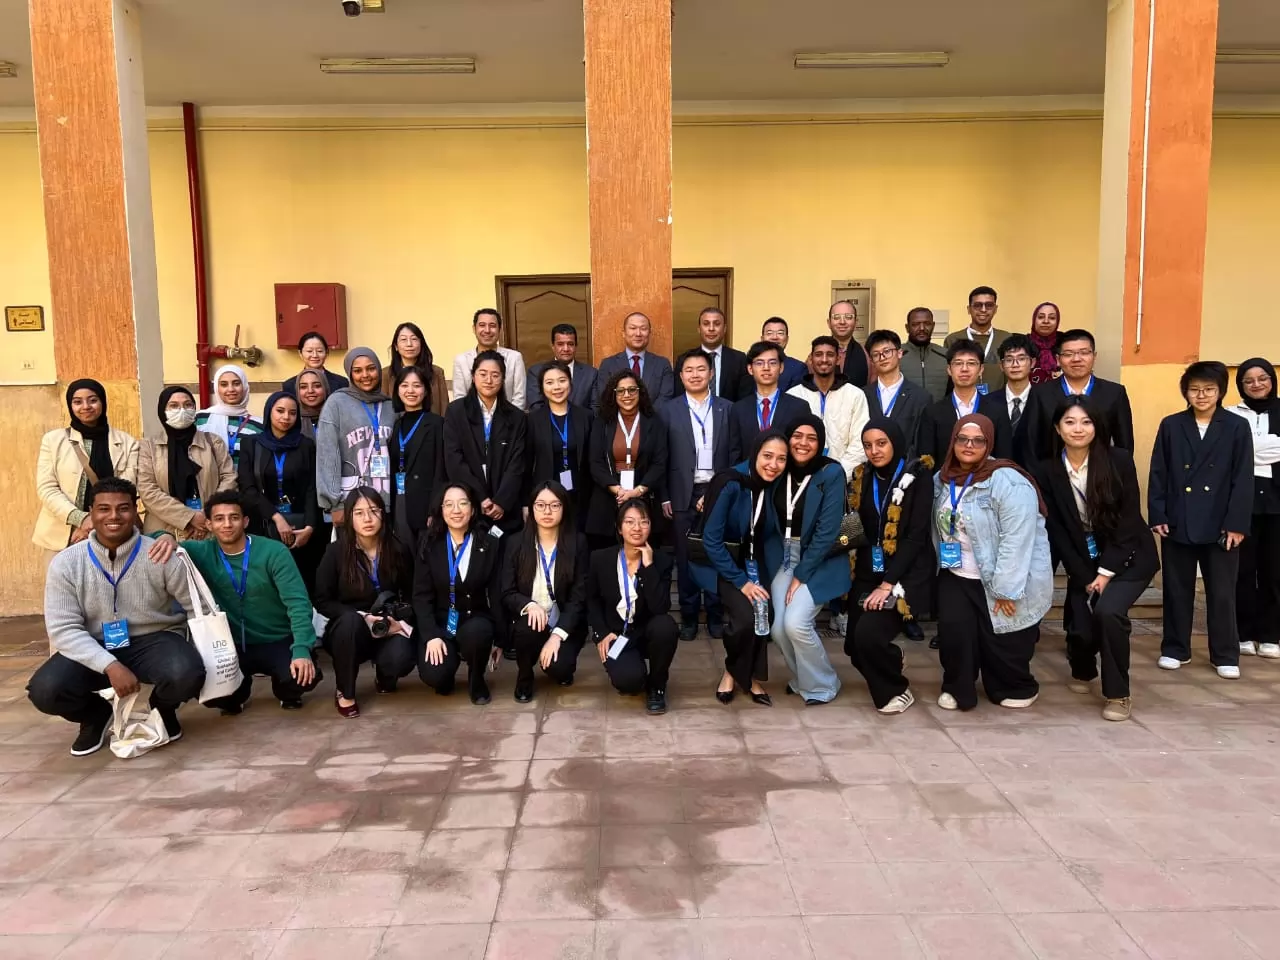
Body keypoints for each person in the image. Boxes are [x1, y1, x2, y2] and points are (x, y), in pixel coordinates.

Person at [28, 478, 203, 756]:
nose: (113, 516)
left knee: (187, 671)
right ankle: (95, 716)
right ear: (91, 513)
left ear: (135, 511)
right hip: (94, 642)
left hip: (152, 640)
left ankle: (162, 710)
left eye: (123, 508)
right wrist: (110, 665)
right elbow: (63, 629)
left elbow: (196, 606)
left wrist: (201, 649)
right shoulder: (67, 563)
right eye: (104, 509)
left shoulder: (159, 554)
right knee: (45, 690)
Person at [1032, 399, 1159, 721]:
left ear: (1097, 426)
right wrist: (1084, 573)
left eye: (1086, 422)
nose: (1078, 429)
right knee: (1080, 623)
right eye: (1070, 422)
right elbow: (1057, 529)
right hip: (1083, 557)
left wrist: (1105, 572)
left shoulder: (1118, 460)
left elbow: (1129, 521)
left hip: (1128, 555)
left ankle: (1118, 694)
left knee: (1108, 612)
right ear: (1057, 428)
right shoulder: (1047, 470)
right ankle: (1083, 668)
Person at [161, 491, 322, 713]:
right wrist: (165, 536)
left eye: (234, 517)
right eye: (219, 519)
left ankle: (286, 692)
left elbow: (298, 603)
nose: (227, 524)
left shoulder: (273, 551)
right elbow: (155, 539)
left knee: (301, 677)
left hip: (276, 638)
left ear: (245, 521)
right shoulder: (201, 551)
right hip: (231, 644)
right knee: (213, 694)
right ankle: (237, 694)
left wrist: (302, 649)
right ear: (208, 524)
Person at [933, 414, 1053, 711]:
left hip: (1000, 575)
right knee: (954, 634)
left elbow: (1018, 538)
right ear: (953, 441)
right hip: (956, 572)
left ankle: (1014, 686)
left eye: (978, 440)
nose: (969, 446)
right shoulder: (942, 478)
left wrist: (1005, 589)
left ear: (989, 443)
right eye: (963, 439)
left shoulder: (1008, 480)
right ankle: (958, 686)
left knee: (1001, 637)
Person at [1149, 361, 1253, 679]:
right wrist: (1158, 513)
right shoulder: (1172, 425)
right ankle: (1175, 649)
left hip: (1221, 523)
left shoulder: (1236, 426)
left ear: (1221, 391)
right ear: (1186, 392)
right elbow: (1159, 472)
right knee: (1176, 589)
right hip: (1178, 519)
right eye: (1194, 389)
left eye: (1209, 389)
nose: (1202, 395)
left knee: (1222, 592)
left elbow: (1243, 478)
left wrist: (1237, 523)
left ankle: (1225, 654)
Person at [845, 418, 936, 714]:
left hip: (906, 574)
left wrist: (888, 584)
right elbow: (854, 525)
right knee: (853, 645)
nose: (874, 451)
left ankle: (896, 691)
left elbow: (916, 537)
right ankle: (892, 660)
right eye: (868, 445)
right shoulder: (861, 476)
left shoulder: (918, 475)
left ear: (895, 442)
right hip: (870, 570)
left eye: (881, 443)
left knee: (869, 636)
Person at [695, 431, 788, 706]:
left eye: (781, 459)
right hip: (726, 563)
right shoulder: (730, 482)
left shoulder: (775, 483)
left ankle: (744, 675)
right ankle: (736, 671)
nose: (773, 465)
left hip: (756, 561)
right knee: (745, 619)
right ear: (755, 453)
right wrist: (741, 582)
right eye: (767, 456)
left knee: (764, 615)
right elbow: (711, 541)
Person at [314, 487, 417, 717]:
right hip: (350, 628)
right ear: (349, 517)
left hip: (388, 624)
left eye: (373, 511)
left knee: (402, 657)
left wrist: (401, 622)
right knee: (350, 624)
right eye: (359, 513)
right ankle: (345, 691)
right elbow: (322, 599)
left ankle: (385, 673)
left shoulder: (398, 549)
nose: (368, 519)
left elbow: (413, 593)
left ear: (383, 513)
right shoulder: (336, 552)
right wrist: (362, 617)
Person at [768, 415, 849, 705]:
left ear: (821, 443)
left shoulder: (831, 473)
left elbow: (827, 532)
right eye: (797, 436)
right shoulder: (779, 467)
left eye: (812, 438)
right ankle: (805, 678)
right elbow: (746, 469)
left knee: (796, 623)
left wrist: (801, 575)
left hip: (818, 556)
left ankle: (823, 685)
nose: (803, 443)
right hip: (783, 555)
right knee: (778, 629)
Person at [661, 349, 736, 641]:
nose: (695, 375)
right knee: (685, 557)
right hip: (682, 492)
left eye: (701, 369)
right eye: (689, 370)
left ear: (711, 373)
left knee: (716, 555)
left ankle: (715, 617)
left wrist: (723, 491)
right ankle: (689, 618)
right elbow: (661, 457)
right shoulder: (668, 410)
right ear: (681, 376)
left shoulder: (727, 409)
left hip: (717, 490)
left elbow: (734, 454)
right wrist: (665, 496)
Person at [414, 482, 501, 704]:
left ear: (473, 509)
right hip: (442, 622)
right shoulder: (429, 543)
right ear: (441, 509)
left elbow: (497, 593)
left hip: (475, 619)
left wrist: (501, 639)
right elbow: (421, 596)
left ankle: (476, 679)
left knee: (478, 632)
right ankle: (447, 672)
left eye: (463, 503)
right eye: (449, 504)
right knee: (436, 675)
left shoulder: (489, 543)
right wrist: (431, 635)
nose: (456, 510)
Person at [589, 499, 679, 714]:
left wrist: (648, 567)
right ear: (619, 528)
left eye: (643, 522)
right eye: (629, 522)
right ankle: (634, 670)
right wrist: (602, 633)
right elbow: (591, 599)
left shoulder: (661, 561)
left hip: (646, 631)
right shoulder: (600, 558)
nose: (637, 528)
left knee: (665, 625)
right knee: (629, 683)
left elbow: (660, 607)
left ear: (650, 526)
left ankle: (657, 686)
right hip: (616, 633)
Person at [504, 482, 591, 702]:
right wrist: (528, 604)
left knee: (559, 668)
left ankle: (557, 659)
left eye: (554, 505)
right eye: (540, 505)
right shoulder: (515, 543)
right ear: (531, 508)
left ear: (564, 508)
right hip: (531, 620)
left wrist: (557, 635)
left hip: (564, 621)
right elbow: (507, 591)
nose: (547, 511)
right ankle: (525, 676)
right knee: (527, 626)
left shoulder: (578, 543)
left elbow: (578, 598)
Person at [34, 379, 140, 553]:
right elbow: (47, 488)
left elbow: (127, 488)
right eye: (77, 402)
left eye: (93, 400)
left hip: (113, 532)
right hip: (66, 535)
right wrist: (82, 519)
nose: (86, 406)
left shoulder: (128, 443)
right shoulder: (53, 441)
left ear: (103, 402)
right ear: (70, 406)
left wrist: (96, 523)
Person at [237, 391, 323, 593]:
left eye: (292, 413)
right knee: (265, 583)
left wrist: (310, 526)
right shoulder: (251, 443)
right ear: (269, 412)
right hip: (263, 524)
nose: (286, 417)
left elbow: (312, 487)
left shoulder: (305, 444)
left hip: (299, 527)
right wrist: (276, 517)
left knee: (301, 582)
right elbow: (248, 488)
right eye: (280, 411)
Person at [443, 351, 529, 538]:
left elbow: (518, 462)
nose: (489, 380)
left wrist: (501, 501)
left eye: (495, 375)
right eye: (483, 374)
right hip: (470, 504)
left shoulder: (516, 417)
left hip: (506, 508)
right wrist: (480, 497)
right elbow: (454, 459)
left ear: (503, 379)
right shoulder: (456, 412)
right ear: (473, 377)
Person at [1229, 359, 1280, 659]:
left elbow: (1245, 452)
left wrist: (1250, 450)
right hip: (1242, 504)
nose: (1256, 384)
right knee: (1243, 571)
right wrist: (1272, 446)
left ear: (1272, 379)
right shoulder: (1232, 415)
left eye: (1263, 378)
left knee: (1274, 571)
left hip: (1277, 504)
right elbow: (1233, 453)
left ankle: (1271, 634)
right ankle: (1243, 633)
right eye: (1248, 380)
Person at [137, 386, 235, 541]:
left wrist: (208, 513)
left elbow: (229, 478)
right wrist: (189, 517)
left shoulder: (213, 442)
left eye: (188, 405)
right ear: (162, 410)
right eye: (174, 406)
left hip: (209, 528)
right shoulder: (148, 447)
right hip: (164, 534)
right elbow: (147, 489)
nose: (182, 410)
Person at [1023, 329, 1135, 463]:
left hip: (1102, 472)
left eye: (1084, 352)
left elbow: (1124, 445)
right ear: (1058, 359)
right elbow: (1030, 443)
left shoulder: (1114, 393)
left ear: (1094, 356)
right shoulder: (1040, 393)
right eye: (1068, 354)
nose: (1076, 359)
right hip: (1051, 473)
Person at [587, 369, 668, 548]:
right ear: (613, 394)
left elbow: (659, 463)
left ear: (640, 392)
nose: (627, 395)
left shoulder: (654, 422)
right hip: (607, 499)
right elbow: (595, 462)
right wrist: (618, 490)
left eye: (632, 390)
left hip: (644, 496)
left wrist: (637, 491)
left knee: (643, 555)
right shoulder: (602, 422)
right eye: (621, 391)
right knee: (606, 556)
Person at [316, 347, 396, 521]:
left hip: (386, 500)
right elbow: (327, 455)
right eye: (358, 371)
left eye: (371, 368)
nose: (365, 375)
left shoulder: (390, 406)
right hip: (349, 502)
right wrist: (334, 504)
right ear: (350, 374)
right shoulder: (336, 403)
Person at [788, 335, 869, 478]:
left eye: (830, 354)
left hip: (843, 477)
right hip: (800, 478)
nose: (824, 359)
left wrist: (837, 474)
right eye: (819, 354)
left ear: (838, 359)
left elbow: (860, 442)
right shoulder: (793, 395)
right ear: (811, 359)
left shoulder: (855, 395)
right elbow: (788, 440)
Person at [919, 341, 1013, 465]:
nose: (964, 369)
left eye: (971, 363)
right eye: (958, 363)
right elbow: (926, 461)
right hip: (945, 477)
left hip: (987, 477)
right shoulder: (933, 412)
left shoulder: (997, 411)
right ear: (949, 369)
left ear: (981, 369)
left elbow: (1004, 459)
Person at [527, 360, 594, 528]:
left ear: (570, 383)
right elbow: (525, 464)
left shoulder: (586, 417)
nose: (557, 387)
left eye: (562, 380)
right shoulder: (532, 420)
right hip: (545, 497)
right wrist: (524, 502)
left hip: (580, 496)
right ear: (542, 387)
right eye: (549, 382)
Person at [388, 366, 445, 547]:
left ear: (426, 390)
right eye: (404, 385)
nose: (410, 391)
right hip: (399, 501)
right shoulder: (396, 424)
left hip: (425, 505)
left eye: (417, 385)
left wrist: (435, 509)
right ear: (397, 390)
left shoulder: (437, 424)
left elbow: (441, 470)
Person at [729, 341, 809, 455]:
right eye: (759, 363)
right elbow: (734, 452)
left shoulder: (799, 407)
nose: (766, 368)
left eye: (772, 363)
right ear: (750, 369)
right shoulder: (738, 409)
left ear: (781, 367)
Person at [863, 330, 928, 457]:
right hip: (869, 464)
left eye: (887, 351)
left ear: (899, 353)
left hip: (906, 465)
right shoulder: (862, 395)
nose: (882, 358)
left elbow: (921, 443)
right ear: (871, 361)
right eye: (876, 354)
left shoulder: (920, 397)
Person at [594, 312, 675, 408]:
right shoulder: (608, 364)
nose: (638, 333)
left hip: (653, 417)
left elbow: (665, 398)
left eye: (643, 329)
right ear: (623, 333)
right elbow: (606, 398)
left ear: (649, 332)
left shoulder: (662, 364)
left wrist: (646, 416)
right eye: (633, 328)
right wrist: (627, 415)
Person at [451, 308, 527, 409]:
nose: (487, 330)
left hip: (509, 417)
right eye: (482, 325)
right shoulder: (461, 360)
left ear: (500, 329)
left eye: (492, 326)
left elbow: (519, 398)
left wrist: (510, 417)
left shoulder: (514, 358)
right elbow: (459, 398)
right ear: (474, 329)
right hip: (470, 417)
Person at [943, 286, 1011, 393]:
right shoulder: (953, 339)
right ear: (969, 309)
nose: (983, 310)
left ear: (995, 309)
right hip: (964, 400)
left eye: (989, 305)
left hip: (1000, 400)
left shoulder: (1006, 338)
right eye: (977, 305)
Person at [675, 306, 750, 402]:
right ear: (699, 329)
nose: (711, 328)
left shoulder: (739, 359)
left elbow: (744, 397)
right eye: (706, 324)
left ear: (724, 329)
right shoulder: (684, 359)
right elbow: (679, 396)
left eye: (717, 324)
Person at [983, 333, 1037, 466]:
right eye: (1009, 360)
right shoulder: (988, 403)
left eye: (1021, 359)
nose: (1015, 364)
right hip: (997, 472)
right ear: (1001, 366)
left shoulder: (1043, 400)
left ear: (1032, 363)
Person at [196, 365, 263, 468]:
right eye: (224, 384)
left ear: (245, 386)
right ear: (217, 388)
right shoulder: (200, 419)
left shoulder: (259, 425)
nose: (231, 389)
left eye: (236, 383)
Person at [526, 323, 600, 409]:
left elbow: (595, 408)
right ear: (553, 346)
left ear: (576, 346)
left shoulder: (591, 374)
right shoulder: (536, 372)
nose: (566, 349)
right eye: (560, 344)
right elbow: (536, 407)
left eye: (570, 344)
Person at [384, 321, 449, 415]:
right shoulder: (385, 374)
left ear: (421, 344)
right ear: (396, 346)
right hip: (397, 424)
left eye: (414, 339)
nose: (409, 344)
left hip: (431, 423)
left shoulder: (436, 372)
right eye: (403, 339)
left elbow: (444, 408)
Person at [901, 307, 950, 401]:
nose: (922, 328)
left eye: (927, 324)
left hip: (938, 410)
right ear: (907, 328)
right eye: (915, 324)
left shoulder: (946, 355)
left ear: (933, 326)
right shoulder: (896, 356)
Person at [282, 331, 349, 397]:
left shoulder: (341, 382)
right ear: (300, 353)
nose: (315, 355)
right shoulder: (290, 385)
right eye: (309, 351)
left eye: (319, 351)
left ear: (327, 353)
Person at [821, 300, 870, 388]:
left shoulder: (867, 354)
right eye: (836, 317)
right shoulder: (818, 354)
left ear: (856, 322)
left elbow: (872, 388)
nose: (842, 322)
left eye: (848, 317)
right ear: (829, 323)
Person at [761, 317, 807, 392]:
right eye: (769, 333)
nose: (774, 337)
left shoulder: (798, 368)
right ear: (762, 339)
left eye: (780, 333)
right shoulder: (751, 366)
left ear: (787, 339)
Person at [1028, 302, 1062, 385]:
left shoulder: (1065, 343)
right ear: (1034, 320)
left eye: (1052, 318)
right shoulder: (1024, 343)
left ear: (1057, 321)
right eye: (1041, 317)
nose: (1046, 321)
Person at [295, 369, 329, 440]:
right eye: (303, 387)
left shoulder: (337, 417)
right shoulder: (292, 418)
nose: (310, 391)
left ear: (325, 388)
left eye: (317, 386)